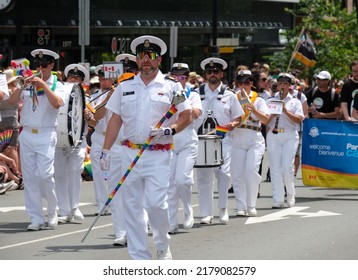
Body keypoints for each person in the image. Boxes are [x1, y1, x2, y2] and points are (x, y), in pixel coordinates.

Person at [101, 35, 191, 260]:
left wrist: (169, 130)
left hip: (158, 154)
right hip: (130, 151)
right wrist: (105, 150)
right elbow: (115, 120)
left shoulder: (171, 86)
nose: (146, 61)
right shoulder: (125, 86)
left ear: (158, 59)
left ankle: (162, 243)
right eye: (142, 56)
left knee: (155, 204)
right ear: (137, 60)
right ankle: (140, 256)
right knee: (132, 206)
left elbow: (187, 115)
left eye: (150, 56)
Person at [8, 48, 64, 230]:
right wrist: (22, 86)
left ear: (52, 65)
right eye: (37, 65)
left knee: (46, 175)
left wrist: (44, 85)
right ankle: (36, 218)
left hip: (46, 133)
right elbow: (11, 102)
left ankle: (52, 211)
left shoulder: (58, 85)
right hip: (27, 135)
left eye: (44, 65)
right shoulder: (28, 83)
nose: (40, 68)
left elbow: (57, 103)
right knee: (30, 177)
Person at [194, 57, 244, 225]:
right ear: (205, 75)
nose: (213, 74)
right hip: (201, 140)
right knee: (203, 177)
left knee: (223, 174)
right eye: (209, 72)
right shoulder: (196, 94)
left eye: (216, 71)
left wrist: (233, 124)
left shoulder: (229, 95)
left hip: (223, 140)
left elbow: (239, 117)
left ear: (221, 74)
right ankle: (205, 214)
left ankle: (223, 209)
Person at [167, 62, 202, 233]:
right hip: (169, 142)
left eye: (182, 77)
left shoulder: (192, 93)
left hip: (187, 142)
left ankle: (188, 210)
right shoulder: (165, 92)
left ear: (187, 78)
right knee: (170, 185)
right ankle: (171, 222)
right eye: (175, 76)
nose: (178, 79)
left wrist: (182, 98)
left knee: (182, 180)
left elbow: (195, 114)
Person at [55, 63, 90, 223]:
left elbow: (94, 121)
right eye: (71, 77)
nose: (73, 80)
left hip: (77, 141)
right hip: (61, 139)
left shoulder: (87, 98)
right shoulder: (58, 94)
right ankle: (63, 210)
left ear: (82, 82)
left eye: (77, 78)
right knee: (60, 174)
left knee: (76, 172)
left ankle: (74, 206)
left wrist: (88, 115)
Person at [231, 70, 270, 216]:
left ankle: (251, 204)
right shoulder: (233, 99)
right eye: (240, 83)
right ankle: (241, 206)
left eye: (246, 82)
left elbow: (266, 120)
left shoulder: (258, 100)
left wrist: (253, 110)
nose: (243, 86)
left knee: (251, 171)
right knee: (237, 174)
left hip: (254, 137)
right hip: (238, 136)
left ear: (251, 84)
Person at [266, 73, 304, 208]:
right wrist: (273, 114)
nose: (282, 86)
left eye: (285, 84)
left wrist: (286, 111)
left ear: (289, 86)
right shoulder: (270, 100)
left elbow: (299, 120)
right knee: (275, 167)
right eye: (280, 83)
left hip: (289, 134)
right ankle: (278, 198)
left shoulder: (295, 101)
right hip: (274, 134)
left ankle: (291, 193)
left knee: (287, 166)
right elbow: (265, 121)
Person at [90, 65, 115, 217]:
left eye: (105, 79)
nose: (103, 82)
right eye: (100, 79)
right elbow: (96, 118)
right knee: (98, 172)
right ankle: (101, 204)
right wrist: (107, 99)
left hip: (116, 138)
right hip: (99, 136)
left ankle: (114, 202)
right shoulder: (96, 96)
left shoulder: (121, 93)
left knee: (113, 172)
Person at [0, 69, 22, 184]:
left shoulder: (3, 91)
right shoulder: (15, 91)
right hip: (12, 121)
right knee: (13, 147)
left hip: (1, 121)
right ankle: (16, 172)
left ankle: (10, 173)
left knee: (2, 148)